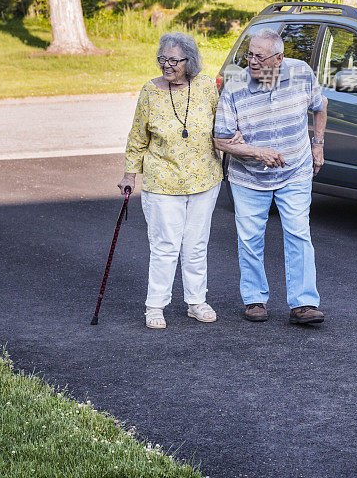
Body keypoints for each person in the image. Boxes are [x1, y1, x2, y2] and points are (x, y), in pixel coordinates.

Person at [214, 29, 328, 325]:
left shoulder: (301, 73)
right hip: (249, 176)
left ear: (279, 58)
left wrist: (318, 145)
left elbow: (320, 106)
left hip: (296, 170)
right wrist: (257, 152)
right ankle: (254, 299)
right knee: (250, 239)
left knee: (298, 233)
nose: (251, 61)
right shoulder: (236, 84)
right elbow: (220, 140)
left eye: (258, 56)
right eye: (249, 54)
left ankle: (303, 303)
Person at [119, 32, 223, 329]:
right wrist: (129, 174)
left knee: (196, 244)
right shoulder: (150, 92)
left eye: (174, 60)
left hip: (205, 180)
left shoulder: (205, 87)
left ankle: (196, 301)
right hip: (163, 182)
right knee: (165, 246)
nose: (167, 65)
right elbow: (137, 137)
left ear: (189, 62)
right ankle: (155, 305)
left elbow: (222, 124)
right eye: (162, 59)